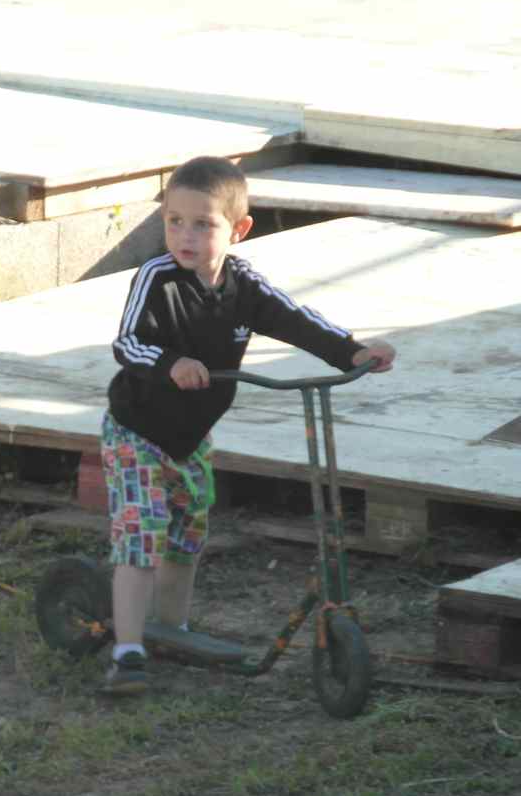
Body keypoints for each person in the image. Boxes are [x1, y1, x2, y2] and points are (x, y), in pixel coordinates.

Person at [99, 155, 396, 694]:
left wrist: (351, 352)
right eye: (174, 221)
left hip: (191, 439)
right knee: (142, 534)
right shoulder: (156, 278)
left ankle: (172, 629)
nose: (184, 235)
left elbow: (294, 319)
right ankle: (128, 651)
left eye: (202, 224)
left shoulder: (244, 286)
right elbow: (128, 342)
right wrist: (172, 363)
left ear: (239, 230)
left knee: (187, 537)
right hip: (137, 433)